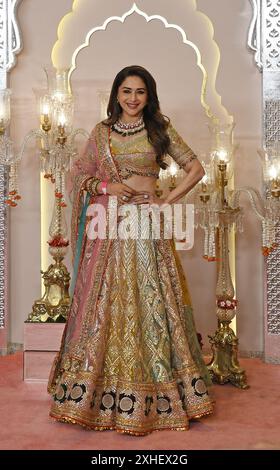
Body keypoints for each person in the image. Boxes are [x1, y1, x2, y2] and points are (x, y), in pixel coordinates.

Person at [48, 65, 214, 435]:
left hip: (146, 226)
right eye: (126, 91)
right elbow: (78, 175)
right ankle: (96, 390)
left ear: (149, 95)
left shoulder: (159, 129)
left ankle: (158, 389)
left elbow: (196, 168)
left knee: (152, 299)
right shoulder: (101, 132)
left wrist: (165, 199)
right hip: (108, 226)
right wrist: (107, 187)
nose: (133, 98)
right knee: (108, 300)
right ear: (116, 94)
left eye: (140, 92)